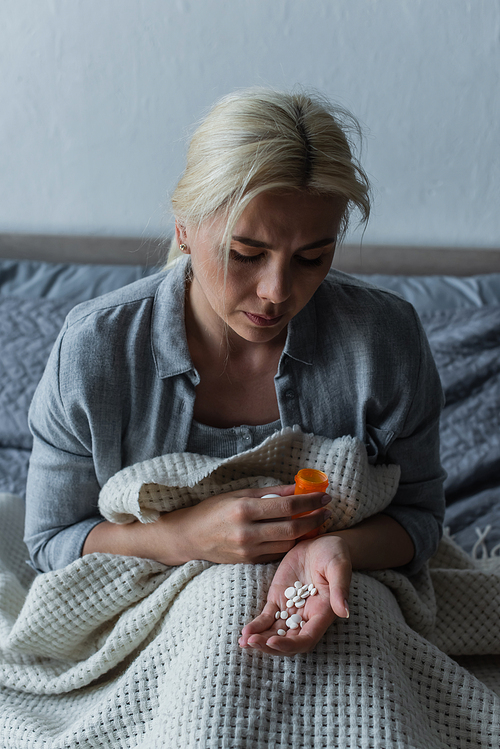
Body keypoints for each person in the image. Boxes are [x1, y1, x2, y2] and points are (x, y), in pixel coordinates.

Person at [24, 88, 445, 659]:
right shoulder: (96, 349)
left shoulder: (386, 343)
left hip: (347, 606)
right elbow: (51, 541)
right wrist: (185, 538)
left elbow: (419, 520)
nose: (276, 292)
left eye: (311, 258)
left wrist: (335, 549)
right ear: (184, 227)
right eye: (246, 253)